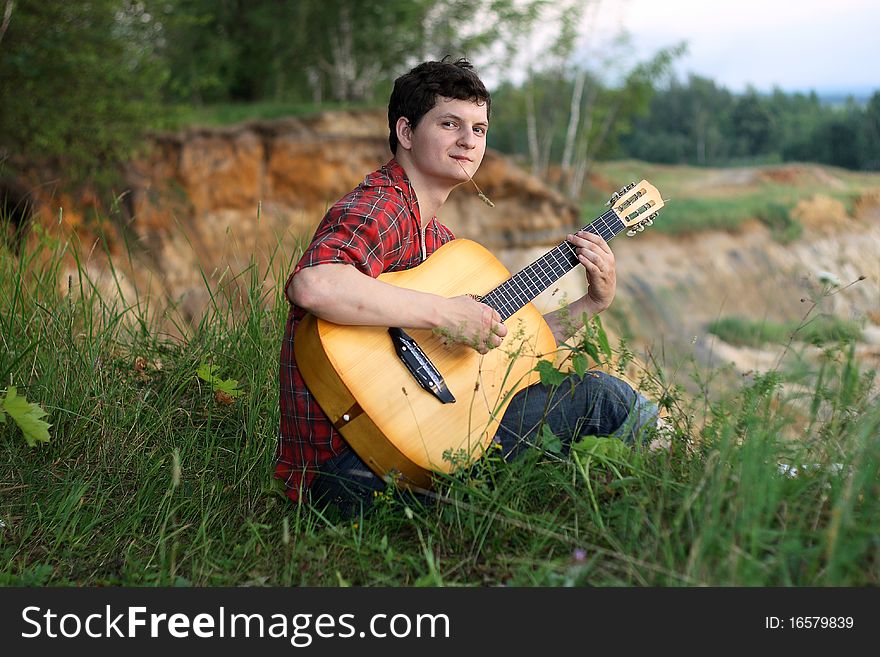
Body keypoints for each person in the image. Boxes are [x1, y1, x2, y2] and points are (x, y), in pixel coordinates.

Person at [276, 58, 657, 516]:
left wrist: (593, 304)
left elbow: (516, 348)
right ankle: (675, 493)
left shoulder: (440, 243)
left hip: (407, 451)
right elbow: (314, 284)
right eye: (450, 124)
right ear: (406, 131)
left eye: (479, 128)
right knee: (602, 397)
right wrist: (444, 313)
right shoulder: (381, 205)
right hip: (347, 473)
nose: (468, 140)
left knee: (565, 396)